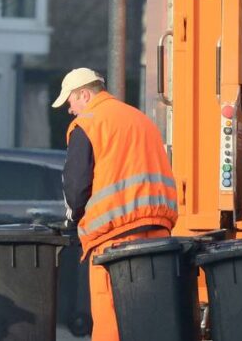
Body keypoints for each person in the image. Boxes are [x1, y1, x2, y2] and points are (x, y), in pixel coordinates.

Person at [52, 67, 178, 341]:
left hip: (114, 238)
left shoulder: (88, 124)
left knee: (111, 317)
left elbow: (76, 186)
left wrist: (72, 220)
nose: (70, 110)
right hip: (158, 232)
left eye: (70, 102)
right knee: (149, 318)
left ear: (84, 94)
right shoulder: (140, 119)